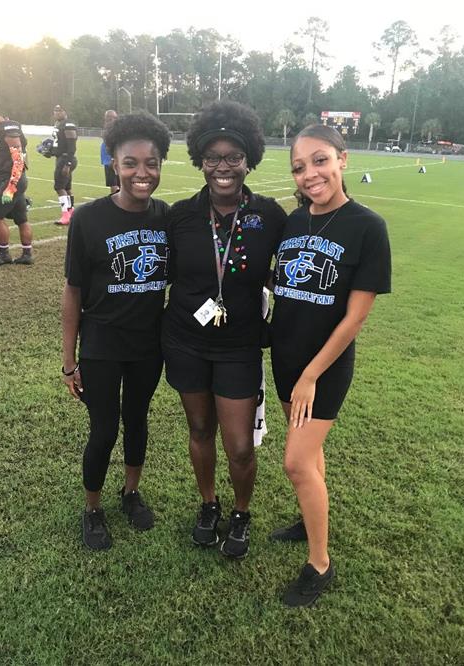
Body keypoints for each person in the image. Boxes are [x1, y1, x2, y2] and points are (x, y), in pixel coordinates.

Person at [270, 124, 391, 607]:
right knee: (310, 456)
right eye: (299, 167)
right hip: (285, 359)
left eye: (319, 160)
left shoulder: (367, 226)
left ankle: (320, 564)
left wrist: (310, 375)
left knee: (296, 462)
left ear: (342, 159)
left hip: (323, 368)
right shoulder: (294, 222)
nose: (310, 174)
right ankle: (308, 518)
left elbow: (355, 316)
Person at [163, 101, 287, 559]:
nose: (222, 167)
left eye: (233, 157)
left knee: (238, 446)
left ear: (248, 159)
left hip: (239, 347)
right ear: (199, 160)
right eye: (212, 157)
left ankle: (240, 512)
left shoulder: (270, 216)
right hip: (186, 341)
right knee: (199, 429)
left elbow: (290, 269)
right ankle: (208, 504)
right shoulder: (179, 216)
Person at [61, 112, 171, 550]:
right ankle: (92, 509)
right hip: (102, 346)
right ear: (115, 164)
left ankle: (130, 492)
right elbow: (72, 293)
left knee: (138, 420)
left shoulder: (167, 216)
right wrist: (69, 361)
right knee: (104, 428)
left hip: (148, 346)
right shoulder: (90, 219)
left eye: (151, 163)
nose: (142, 173)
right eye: (131, 163)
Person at [0, 108, 34, 266]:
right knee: (21, 219)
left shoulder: (7, 127)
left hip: (12, 180)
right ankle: (27, 254)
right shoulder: (1, 129)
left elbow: (18, 159)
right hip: (13, 180)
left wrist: (11, 186)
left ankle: (4, 254)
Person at [52, 105, 78, 226]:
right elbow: (59, 144)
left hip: (66, 158)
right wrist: (50, 151)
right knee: (67, 188)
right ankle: (71, 212)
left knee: (59, 187)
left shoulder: (68, 124)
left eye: (59, 111)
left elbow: (72, 145)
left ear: (65, 112)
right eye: (55, 111)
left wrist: (67, 163)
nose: (57, 113)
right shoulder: (59, 124)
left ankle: (65, 215)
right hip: (61, 157)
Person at [101, 110, 120, 194]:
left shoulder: (112, 129)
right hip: (110, 158)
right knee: (117, 182)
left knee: (114, 183)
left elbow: (113, 145)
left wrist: (113, 158)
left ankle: (116, 203)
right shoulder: (113, 128)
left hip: (111, 159)